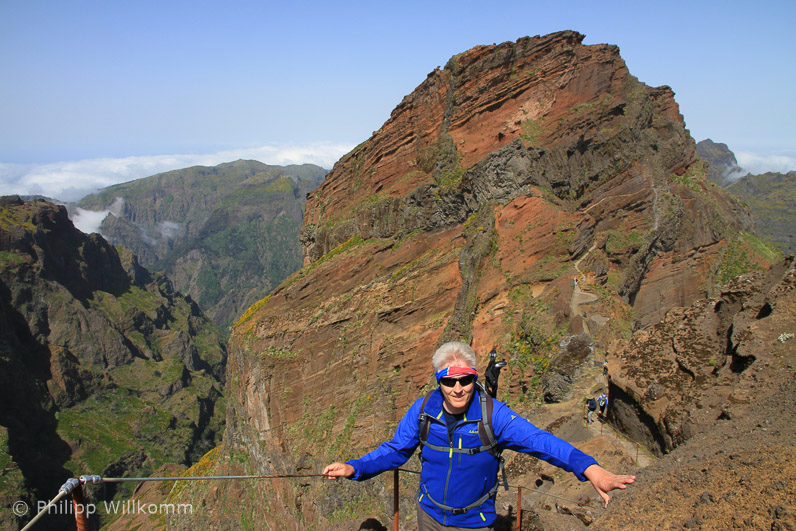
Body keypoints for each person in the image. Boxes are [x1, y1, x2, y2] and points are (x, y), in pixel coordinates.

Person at [323, 341, 635, 529]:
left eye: (466, 379)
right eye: (449, 381)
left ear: (475, 377)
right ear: (438, 382)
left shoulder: (492, 415)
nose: (458, 388)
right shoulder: (423, 411)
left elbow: (541, 441)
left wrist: (591, 469)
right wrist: (355, 467)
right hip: (428, 517)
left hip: (473, 524)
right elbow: (394, 450)